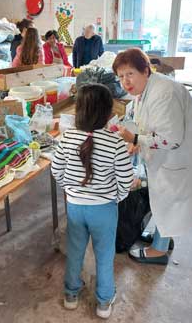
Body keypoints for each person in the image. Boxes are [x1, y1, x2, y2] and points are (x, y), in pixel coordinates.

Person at [112, 48, 192, 265]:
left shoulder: (164, 93)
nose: (125, 81)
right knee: (165, 198)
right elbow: (146, 122)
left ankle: (159, 250)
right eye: (121, 76)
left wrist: (137, 139)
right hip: (175, 150)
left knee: (168, 197)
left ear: (145, 70)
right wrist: (137, 142)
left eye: (130, 73)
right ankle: (163, 237)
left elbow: (172, 138)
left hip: (181, 152)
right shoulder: (146, 90)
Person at [51, 84, 134, 319]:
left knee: (75, 252)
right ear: (108, 113)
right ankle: (104, 303)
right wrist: (115, 198)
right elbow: (125, 179)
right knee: (105, 255)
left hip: (76, 206)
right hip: (105, 210)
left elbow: (56, 171)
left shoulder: (66, 139)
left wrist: (71, 189)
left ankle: (71, 295)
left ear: (78, 111)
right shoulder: (115, 143)